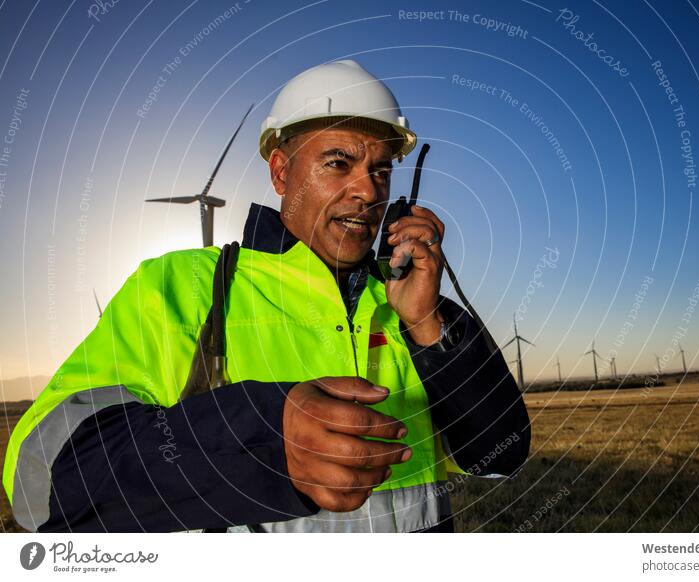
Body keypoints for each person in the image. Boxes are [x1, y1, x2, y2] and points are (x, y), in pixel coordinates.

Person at [2, 59, 530, 533]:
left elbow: (501, 455)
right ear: (281, 172)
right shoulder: (184, 286)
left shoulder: (415, 304)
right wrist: (262, 440)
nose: (368, 191)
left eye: (381, 170)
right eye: (338, 162)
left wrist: (427, 325)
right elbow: (41, 476)